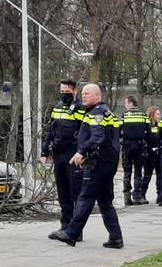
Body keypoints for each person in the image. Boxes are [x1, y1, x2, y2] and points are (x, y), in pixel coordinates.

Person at [48, 83, 123, 249]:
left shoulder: (96, 113)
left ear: (98, 96)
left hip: (99, 163)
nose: (84, 96)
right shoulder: (106, 112)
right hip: (107, 161)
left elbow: (97, 137)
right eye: (83, 94)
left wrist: (81, 151)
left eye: (87, 94)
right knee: (104, 201)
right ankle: (116, 238)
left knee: (85, 197)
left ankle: (71, 233)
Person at [40, 79, 85, 231]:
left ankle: (76, 229)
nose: (64, 94)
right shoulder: (56, 107)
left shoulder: (80, 109)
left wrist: (82, 152)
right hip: (58, 154)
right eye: (62, 91)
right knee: (62, 191)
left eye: (67, 92)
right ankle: (65, 225)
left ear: (74, 91)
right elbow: (49, 131)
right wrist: (44, 151)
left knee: (76, 192)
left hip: (73, 154)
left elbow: (84, 132)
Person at [119, 96, 152, 206]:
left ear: (130, 103)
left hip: (127, 146)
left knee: (127, 171)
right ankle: (137, 196)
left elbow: (118, 131)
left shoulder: (124, 115)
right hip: (140, 146)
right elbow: (149, 132)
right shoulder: (143, 116)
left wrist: (121, 139)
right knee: (138, 172)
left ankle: (127, 197)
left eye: (126, 103)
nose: (125, 105)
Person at [143, 105, 162, 203]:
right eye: (158, 114)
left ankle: (160, 196)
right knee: (147, 175)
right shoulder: (147, 126)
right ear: (152, 114)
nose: (159, 116)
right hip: (149, 153)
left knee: (160, 175)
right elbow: (147, 139)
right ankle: (142, 194)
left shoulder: (160, 125)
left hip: (159, 153)